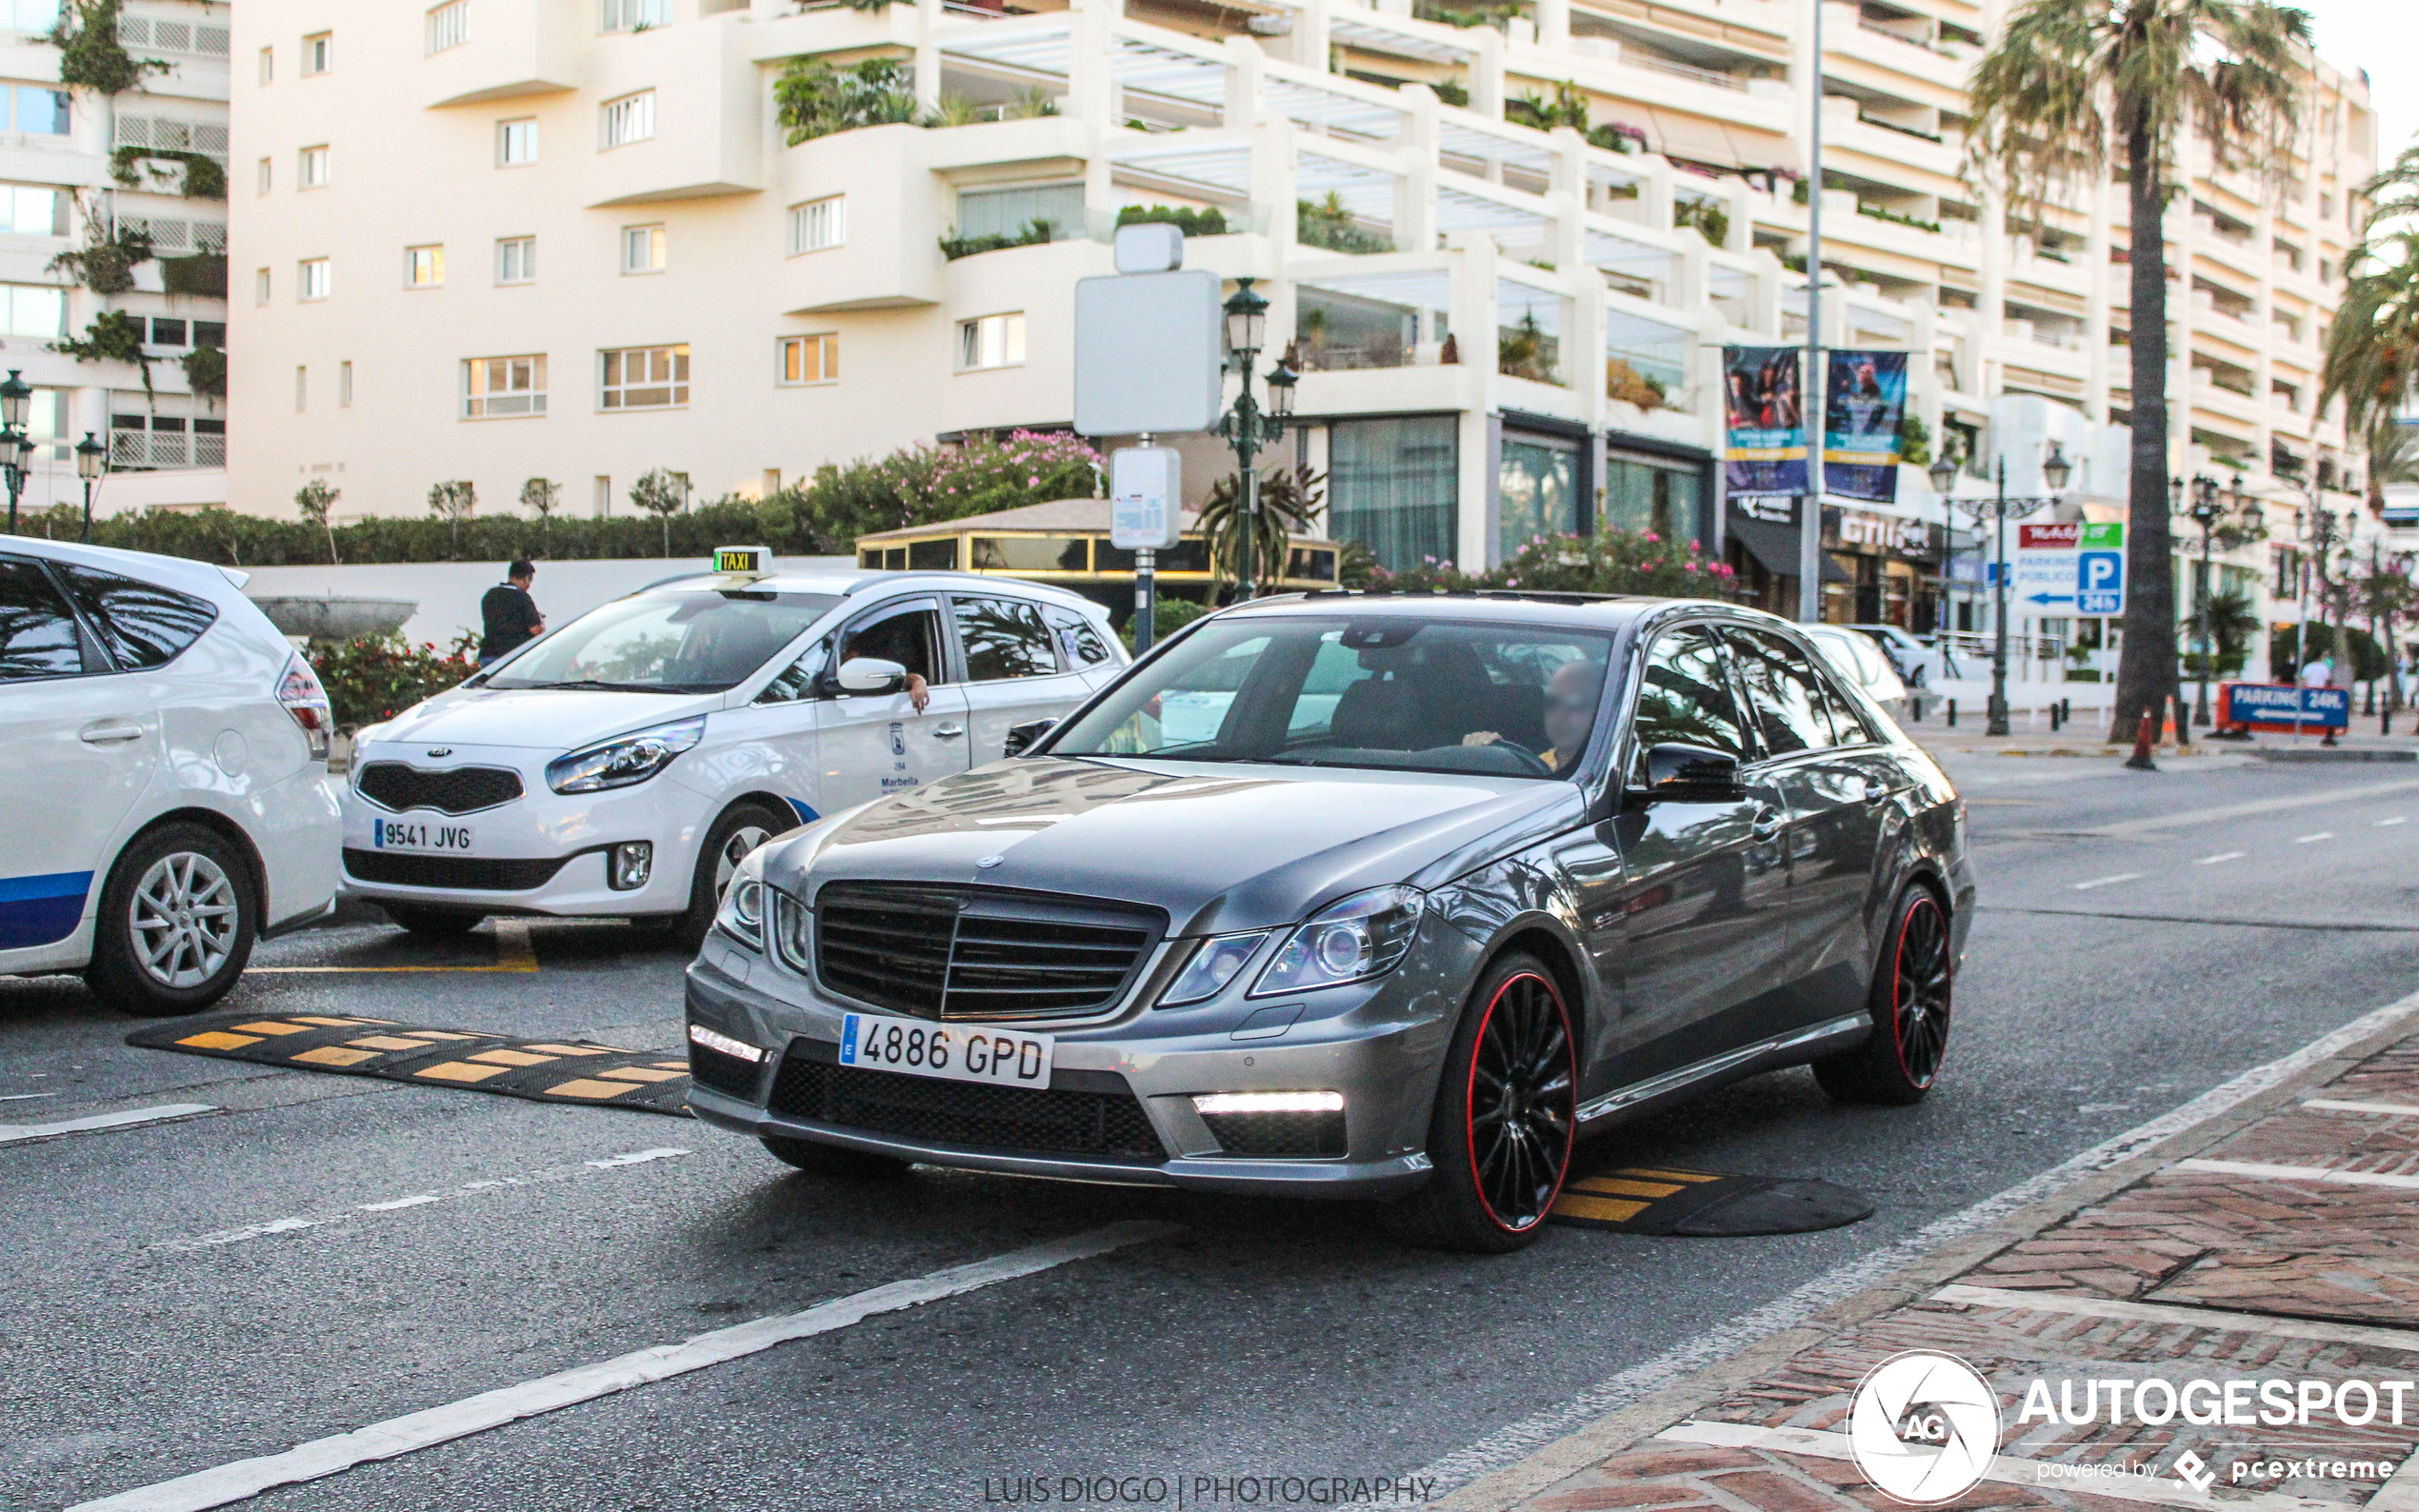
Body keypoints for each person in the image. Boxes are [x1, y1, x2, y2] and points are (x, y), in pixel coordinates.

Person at [1462, 660, 1606, 774]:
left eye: (1575, 703)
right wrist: (1476, 755)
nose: (1560, 714)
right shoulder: (1529, 766)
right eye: (1553, 702)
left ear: (1601, 711)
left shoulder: (1611, 773)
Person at [478, 561, 545, 666]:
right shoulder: (523, 598)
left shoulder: (490, 594)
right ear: (526, 578)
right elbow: (535, 629)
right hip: (512, 656)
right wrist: (540, 620)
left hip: (488, 654)